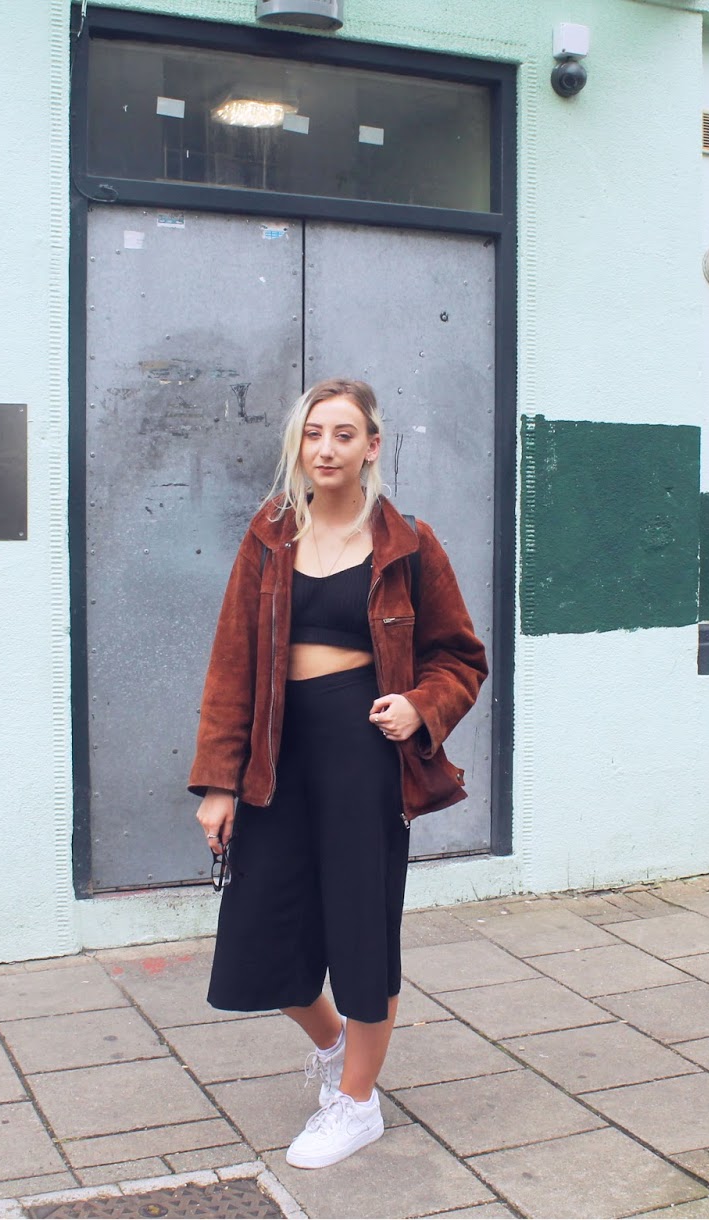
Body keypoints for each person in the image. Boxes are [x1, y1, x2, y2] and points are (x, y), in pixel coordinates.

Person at [187, 377, 487, 1169]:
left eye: (344, 434)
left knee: (361, 928)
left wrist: (421, 706)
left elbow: (461, 656)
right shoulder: (269, 535)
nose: (326, 448)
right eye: (314, 433)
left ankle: (357, 1103)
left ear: (372, 447)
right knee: (263, 930)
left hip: (364, 753)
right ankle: (334, 1048)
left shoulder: (409, 544)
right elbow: (231, 663)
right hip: (277, 754)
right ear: (299, 444)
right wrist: (219, 782)